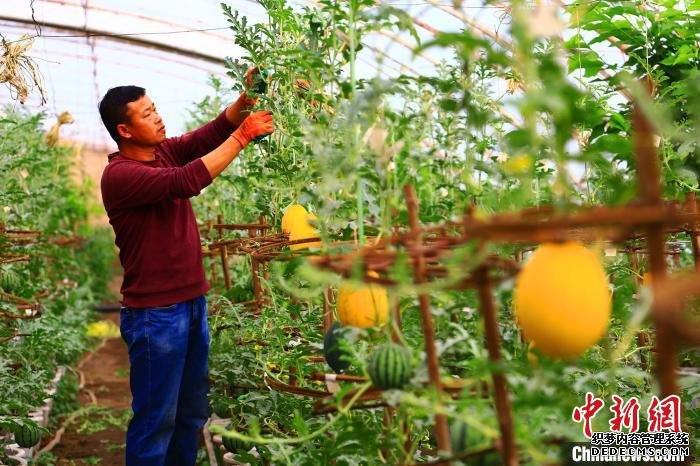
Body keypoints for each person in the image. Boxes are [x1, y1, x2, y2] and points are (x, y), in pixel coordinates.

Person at [98, 70, 273, 466]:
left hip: (192, 304)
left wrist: (246, 100)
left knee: (193, 413)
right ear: (125, 130)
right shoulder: (121, 175)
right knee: (157, 418)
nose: (158, 117)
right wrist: (243, 136)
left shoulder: (161, 152)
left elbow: (205, 137)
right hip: (155, 315)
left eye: (155, 108)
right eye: (147, 113)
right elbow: (187, 180)